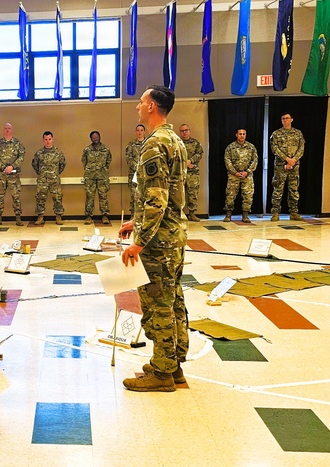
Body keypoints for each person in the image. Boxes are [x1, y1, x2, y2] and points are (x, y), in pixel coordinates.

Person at [117, 85, 189, 392]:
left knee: (159, 304)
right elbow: (167, 195)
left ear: (152, 107)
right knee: (174, 302)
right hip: (174, 234)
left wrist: (140, 240)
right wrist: (137, 220)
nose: (137, 106)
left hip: (158, 242)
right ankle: (172, 364)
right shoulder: (175, 140)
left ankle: (162, 375)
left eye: (141, 102)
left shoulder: (154, 145)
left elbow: (156, 198)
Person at [269, 113, 304, 221]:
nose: (285, 120)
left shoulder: (298, 133)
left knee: (293, 189)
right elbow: (274, 148)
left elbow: (301, 148)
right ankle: (275, 213)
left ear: (291, 120)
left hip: (294, 165)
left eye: (287, 118)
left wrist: (293, 161)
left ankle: (294, 213)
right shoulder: (276, 134)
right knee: (278, 189)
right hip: (280, 166)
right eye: (283, 118)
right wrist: (287, 159)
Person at [0, 123, 25, 226]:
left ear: (12, 130)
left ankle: (18, 218)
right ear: (3, 130)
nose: (7, 130)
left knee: (16, 196)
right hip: (1, 175)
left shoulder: (18, 143)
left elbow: (21, 157)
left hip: (14, 176)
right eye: (5, 128)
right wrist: (3, 167)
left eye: (9, 128)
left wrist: (12, 167)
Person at [31, 131, 66, 225]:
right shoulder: (39, 153)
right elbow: (35, 164)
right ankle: (40, 216)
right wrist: (41, 174)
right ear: (43, 140)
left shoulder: (58, 152)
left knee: (57, 198)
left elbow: (62, 164)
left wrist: (56, 173)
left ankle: (58, 216)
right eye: (46, 139)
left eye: (49, 139)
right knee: (40, 198)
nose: (48, 141)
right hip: (42, 180)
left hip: (55, 180)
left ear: (52, 139)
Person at [223, 129, 258, 223]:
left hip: (247, 176)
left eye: (243, 134)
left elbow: (255, 161)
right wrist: (235, 172)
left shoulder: (251, 147)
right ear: (236, 135)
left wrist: (247, 171)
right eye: (240, 134)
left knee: (247, 196)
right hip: (233, 176)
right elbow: (227, 160)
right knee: (230, 196)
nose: (242, 136)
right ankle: (228, 215)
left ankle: (245, 215)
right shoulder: (231, 147)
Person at [82, 131, 112, 225]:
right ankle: (88, 216)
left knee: (103, 196)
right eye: (93, 137)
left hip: (102, 176)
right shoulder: (87, 150)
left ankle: (104, 215)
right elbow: (84, 161)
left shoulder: (106, 149)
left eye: (97, 137)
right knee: (89, 197)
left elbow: (108, 161)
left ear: (100, 137)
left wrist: (103, 170)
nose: (95, 139)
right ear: (91, 139)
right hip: (90, 177)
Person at [179, 124, 204, 222]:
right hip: (180, 173)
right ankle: (179, 215)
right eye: (182, 131)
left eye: (186, 130)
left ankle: (192, 214)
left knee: (193, 193)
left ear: (189, 131)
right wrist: (185, 163)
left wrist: (191, 161)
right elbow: (173, 155)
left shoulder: (195, 143)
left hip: (193, 172)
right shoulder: (177, 143)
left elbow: (199, 153)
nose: (184, 132)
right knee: (179, 195)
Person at [125, 124, 146, 220]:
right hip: (134, 174)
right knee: (134, 195)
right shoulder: (131, 145)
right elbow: (129, 159)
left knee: (146, 195)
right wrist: (137, 167)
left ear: (144, 132)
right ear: (135, 132)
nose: (140, 132)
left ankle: (144, 216)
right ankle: (133, 216)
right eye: (138, 130)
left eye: (142, 130)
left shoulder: (148, 144)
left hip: (146, 174)